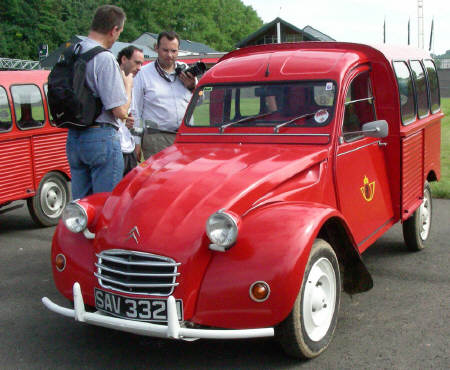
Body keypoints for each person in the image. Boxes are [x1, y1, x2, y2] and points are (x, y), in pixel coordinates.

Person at [66, 5, 133, 199]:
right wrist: (127, 85)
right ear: (114, 30)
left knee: (82, 206)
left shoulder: (73, 50)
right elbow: (119, 110)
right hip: (100, 136)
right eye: (119, 33)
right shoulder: (103, 57)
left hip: (74, 137)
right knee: (105, 205)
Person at [133, 31, 196, 159]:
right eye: (165, 50)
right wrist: (136, 142)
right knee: (159, 178)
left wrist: (192, 87)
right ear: (156, 48)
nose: (170, 55)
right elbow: (135, 110)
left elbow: (201, 102)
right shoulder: (143, 74)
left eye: (174, 51)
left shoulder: (186, 71)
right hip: (156, 138)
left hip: (185, 136)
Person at [117, 45, 145, 175]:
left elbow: (133, 115)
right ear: (124, 59)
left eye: (141, 64)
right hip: (115, 147)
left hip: (128, 145)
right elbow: (121, 112)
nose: (139, 67)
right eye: (137, 63)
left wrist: (137, 142)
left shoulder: (131, 81)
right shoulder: (114, 80)